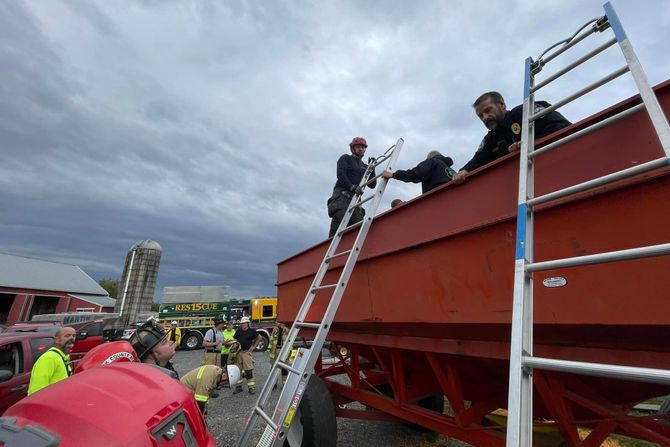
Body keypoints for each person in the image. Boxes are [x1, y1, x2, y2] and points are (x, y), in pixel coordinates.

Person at [452, 91, 572, 184]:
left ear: (502, 105)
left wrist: (530, 144)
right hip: (521, 188)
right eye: (480, 116)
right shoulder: (490, 139)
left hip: (562, 169)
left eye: (488, 110)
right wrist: (463, 172)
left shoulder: (524, 112)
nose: (485, 117)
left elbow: (561, 125)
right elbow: (476, 162)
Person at [327, 137, 377, 238]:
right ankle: (329, 246)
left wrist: (372, 169)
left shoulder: (364, 166)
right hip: (342, 195)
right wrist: (351, 187)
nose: (361, 149)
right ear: (352, 148)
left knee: (357, 225)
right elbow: (341, 175)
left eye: (363, 147)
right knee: (339, 221)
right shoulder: (346, 158)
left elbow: (372, 185)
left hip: (356, 198)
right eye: (358, 147)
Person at [27, 327, 76, 395]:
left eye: (74, 336)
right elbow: (36, 391)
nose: (72, 338)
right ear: (56, 340)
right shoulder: (49, 358)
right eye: (67, 336)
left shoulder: (63, 357)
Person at [382, 150, 456, 193]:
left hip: (438, 197)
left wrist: (393, 175)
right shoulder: (452, 171)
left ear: (429, 158)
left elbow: (415, 174)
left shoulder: (432, 161)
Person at [233, 316, 264, 395]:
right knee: (238, 371)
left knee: (248, 371)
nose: (243, 325)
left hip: (247, 353)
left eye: (245, 323)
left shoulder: (251, 331)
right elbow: (235, 340)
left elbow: (260, 337)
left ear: (248, 324)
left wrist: (253, 347)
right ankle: (239, 387)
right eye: (242, 324)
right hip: (239, 352)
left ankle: (251, 387)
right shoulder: (238, 331)